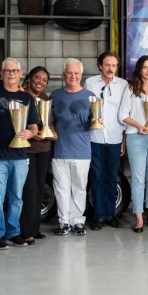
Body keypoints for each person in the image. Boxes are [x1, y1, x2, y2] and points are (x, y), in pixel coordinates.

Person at [0, 58, 39, 249]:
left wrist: (30, 133)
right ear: (2, 74)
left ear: (21, 73)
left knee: (16, 198)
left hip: (20, 157)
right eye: (7, 71)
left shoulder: (27, 98)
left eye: (15, 71)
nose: (11, 74)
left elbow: (34, 126)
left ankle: (13, 232)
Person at [119, 55, 148, 233]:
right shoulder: (131, 89)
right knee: (138, 178)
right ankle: (138, 216)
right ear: (139, 69)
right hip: (136, 137)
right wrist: (139, 126)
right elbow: (122, 115)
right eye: (145, 67)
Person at [51, 59, 97, 236]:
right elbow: (49, 121)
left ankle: (77, 222)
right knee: (61, 188)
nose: (73, 76)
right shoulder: (55, 95)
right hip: (60, 150)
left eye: (76, 73)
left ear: (81, 75)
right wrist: (52, 130)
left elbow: (96, 122)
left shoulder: (91, 96)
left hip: (82, 151)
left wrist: (97, 120)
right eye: (69, 73)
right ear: (64, 75)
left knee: (79, 188)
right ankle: (64, 222)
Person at [84, 51, 128, 230]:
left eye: (114, 65)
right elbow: (85, 109)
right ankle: (98, 215)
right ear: (100, 65)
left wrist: (123, 139)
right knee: (96, 177)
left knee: (112, 177)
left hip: (115, 137)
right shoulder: (90, 83)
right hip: (94, 137)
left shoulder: (123, 85)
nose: (110, 68)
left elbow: (125, 112)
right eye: (107, 65)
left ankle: (111, 214)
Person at [20, 66, 54, 244]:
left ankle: (35, 228)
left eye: (44, 80)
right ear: (29, 78)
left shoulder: (46, 99)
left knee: (39, 189)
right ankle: (26, 231)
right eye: (37, 78)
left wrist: (52, 133)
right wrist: (33, 134)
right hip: (28, 150)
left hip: (44, 149)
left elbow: (50, 123)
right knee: (29, 191)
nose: (40, 82)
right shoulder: (22, 97)